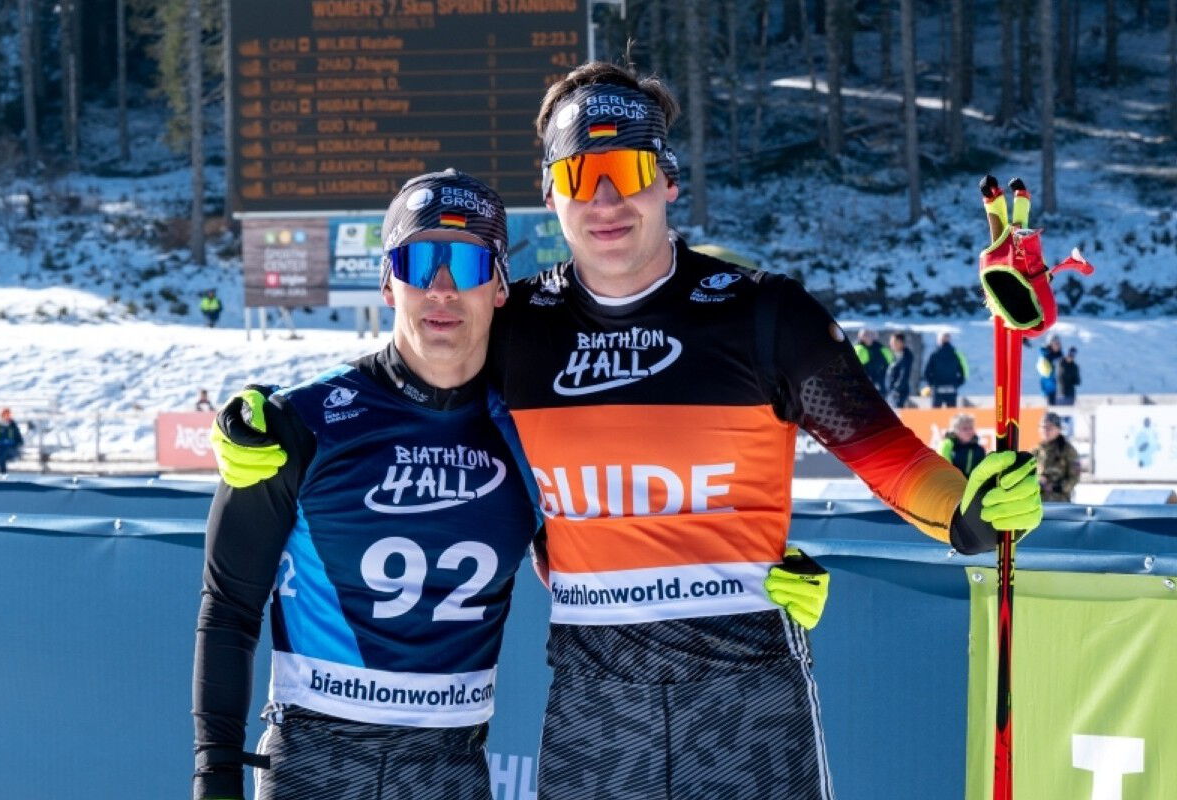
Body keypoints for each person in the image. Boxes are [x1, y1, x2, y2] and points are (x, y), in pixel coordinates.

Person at [213, 63, 1044, 800]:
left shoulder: (762, 315)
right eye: (581, 176)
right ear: (552, 194)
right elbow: (403, 383)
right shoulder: (517, 329)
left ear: (668, 181)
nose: (605, 199)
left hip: (746, 702)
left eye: (628, 169)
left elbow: (890, 459)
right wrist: (261, 424)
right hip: (595, 721)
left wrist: (969, 512)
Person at [192, 171, 540, 800]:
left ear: (499, 285)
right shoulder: (300, 423)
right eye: (418, 260)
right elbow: (229, 608)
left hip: (449, 766)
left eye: (464, 262)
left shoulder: (531, 432)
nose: (440, 288)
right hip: (312, 762)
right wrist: (214, 774)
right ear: (387, 281)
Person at [1033, 411, 1080, 502]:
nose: (1046, 430)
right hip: (1037, 502)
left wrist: (1055, 487)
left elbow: (1074, 478)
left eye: (1050, 427)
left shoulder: (1068, 450)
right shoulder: (1035, 451)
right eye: (1043, 427)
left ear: (1058, 429)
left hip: (1059, 502)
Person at [921, 331, 969, 408]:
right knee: (951, 415)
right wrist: (957, 384)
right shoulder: (957, 354)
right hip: (952, 388)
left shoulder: (934, 354)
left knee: (936, 415)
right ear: (949, 340)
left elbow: (927, 372)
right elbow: (964, 371)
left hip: (937, 389)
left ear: (939, 340)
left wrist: (932, 384)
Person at [937, 412, 986, 477]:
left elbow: (982, 474)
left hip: (971, 485)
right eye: (964, 428)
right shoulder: (947, 446)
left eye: (971, 428)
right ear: (955, 430)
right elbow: (945, 471)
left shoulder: (979, 449)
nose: (969, 431)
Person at [853, 327, 893, 394]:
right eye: (865, 335)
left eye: (870, 335)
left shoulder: (882, 349)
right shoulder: (858, 348)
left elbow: (891, 363)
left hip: (880, 381)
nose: (868, 337)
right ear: (860, 336)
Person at [885, 332, 914, 409]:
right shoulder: (895, 355)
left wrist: (896, 389)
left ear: (901, 343)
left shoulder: (906, 356)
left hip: (898, 394)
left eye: (893, 342)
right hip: (891, 392)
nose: (891, 344)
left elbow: (904, 375)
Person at [0, 408, 24, 474]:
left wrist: (12, 442)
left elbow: (19, 440)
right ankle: (2, 472)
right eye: (5, 415)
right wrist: (0, 442)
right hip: (1, 449)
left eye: (8, 415)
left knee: (3, 452)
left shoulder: (13, 426)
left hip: (12, 449)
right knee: (2, 451)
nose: (7, 416)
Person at [1036, 334, 1063, 404]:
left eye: (1058, 343)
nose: (1057, 345)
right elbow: (1045, 373)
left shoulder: (1059, 355)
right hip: (1049, 388)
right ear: (1050, 344)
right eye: (1055, 343)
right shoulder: (1046, 355)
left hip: (1059, 389)